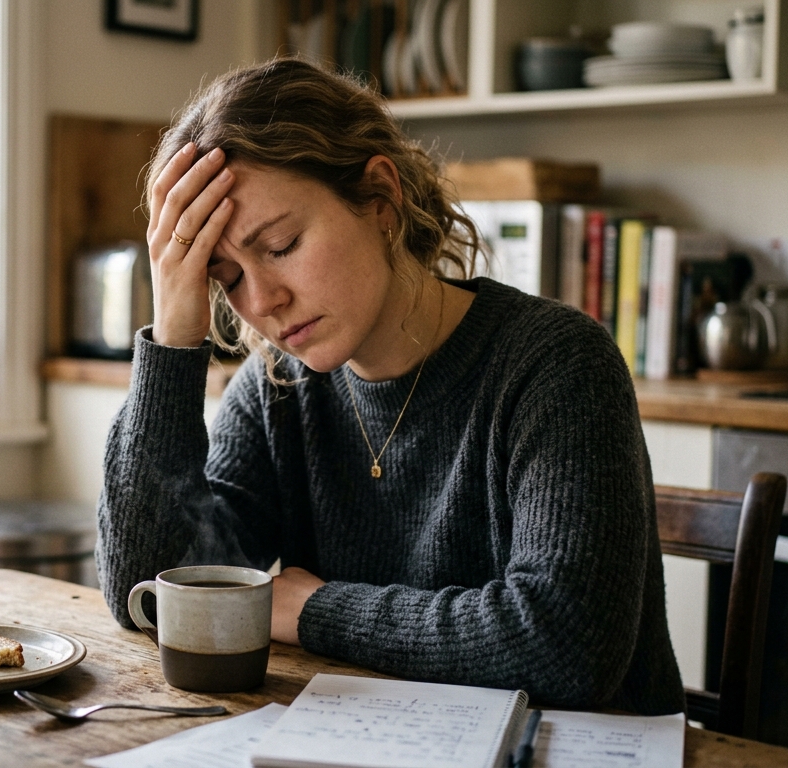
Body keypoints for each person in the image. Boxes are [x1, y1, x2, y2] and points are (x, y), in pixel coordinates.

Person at [94, 58, 685, 715]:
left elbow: (565, 646)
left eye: (282, 244)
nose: (262, 301)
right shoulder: (277, 386)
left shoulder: (556, 364)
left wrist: (314, 608)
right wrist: (174, 337)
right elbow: (146, 591)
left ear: (380, 200)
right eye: (227, 277)